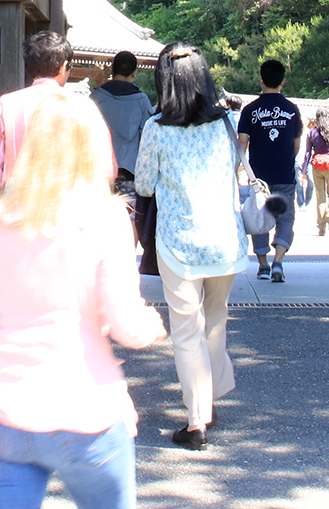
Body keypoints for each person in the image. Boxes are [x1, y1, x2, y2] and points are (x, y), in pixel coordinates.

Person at [0, 90, 167, 508]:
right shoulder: (106, 215)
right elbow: (125, 325)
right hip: (86, 409)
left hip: (3, 412)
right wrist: (153, 324)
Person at [134, 43, 249, 450]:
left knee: (186, 331)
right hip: (224, 241)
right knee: (215, 322)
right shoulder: (226, 124)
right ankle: (209, 403)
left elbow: (145, 184)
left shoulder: (156, 129)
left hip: (178, 243)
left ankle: (196, 420)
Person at [0, 31, 110, 221]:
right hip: (69, 222)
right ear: (64, 67)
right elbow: (105, 169)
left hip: (14, 223)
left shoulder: (4, 105)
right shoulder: (84, 108)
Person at [238, 59, 303, 281]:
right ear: (282, 82)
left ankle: (263, 264)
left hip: (259, 175)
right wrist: (287, 159)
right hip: (284, 173)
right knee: (285, 218)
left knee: (259, 217)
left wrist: (240, 168)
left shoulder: (249, 110)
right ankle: (279, 262)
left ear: (261, 80)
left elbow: (242, 143)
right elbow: (296, 144)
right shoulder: (292, 111)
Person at [92, 51, 153, 180]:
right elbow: (147, 136)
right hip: (130, 169)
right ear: (134, 72)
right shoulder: (142, 101)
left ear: (112, 69)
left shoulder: (96, 97)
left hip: (99, 167)